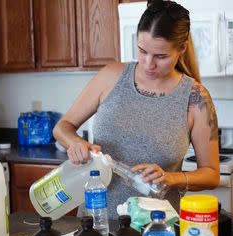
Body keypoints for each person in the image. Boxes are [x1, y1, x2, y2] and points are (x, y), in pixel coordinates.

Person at [53, 0, 220, 219]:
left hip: (158, 232)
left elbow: (211, 174)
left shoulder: (196, 98)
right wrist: (74, 143)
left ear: (182, 49)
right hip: (97, 224)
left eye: (161, 56)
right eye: (142, 51)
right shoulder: (110, 76)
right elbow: (62, 127)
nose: (148, 64)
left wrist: (171, 178)